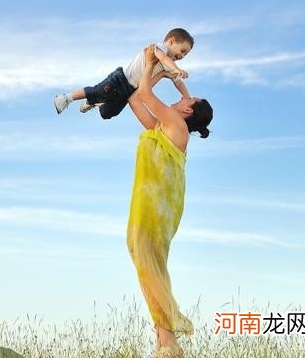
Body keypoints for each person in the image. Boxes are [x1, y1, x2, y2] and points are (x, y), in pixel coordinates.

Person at [126, 45, 213, 358]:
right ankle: (163, 341)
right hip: (148, 208)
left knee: (150, 266)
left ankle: (169, 342)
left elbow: (147, 95)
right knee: (151, 267)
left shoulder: (177, 127)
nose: (180, 99)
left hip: (156, 210)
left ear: (188, 111)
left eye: (185, 99)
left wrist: (152, 65)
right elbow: (136, 98)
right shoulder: (163, 128)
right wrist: (157, 70)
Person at [54, 28, 193, 120]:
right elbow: (163, 58)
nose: (182, 56)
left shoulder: (169, 66)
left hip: (131, 90)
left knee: (108, 113)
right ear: (171, 41)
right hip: (121, 79)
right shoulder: (158, 48)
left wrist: (187, 98)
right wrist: (176, 69)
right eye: (182, 50)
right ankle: (66, 98)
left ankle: (92, 101)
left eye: (186, 54)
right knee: (97, 90)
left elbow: (178, 81)